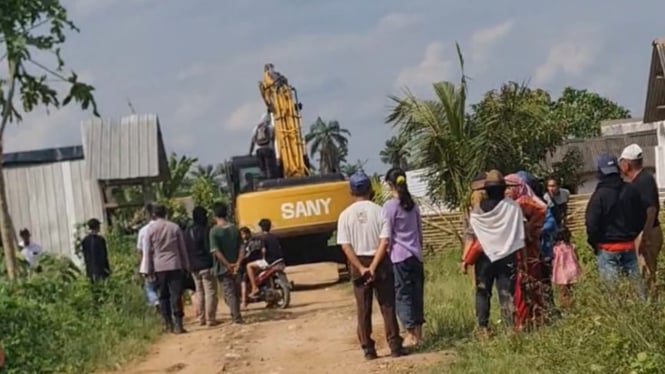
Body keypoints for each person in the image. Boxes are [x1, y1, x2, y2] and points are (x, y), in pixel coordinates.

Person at [337, 171, 404, 360]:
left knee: (363, 308)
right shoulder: (380, 211)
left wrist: (361, 267)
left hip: (358, 261)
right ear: (371, 189)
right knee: (387, 305)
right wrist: (374, 265)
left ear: (351, 191)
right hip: (380, 261)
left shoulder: (345, 215)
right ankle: (394, 346)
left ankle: (368, 349)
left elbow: (345, 245)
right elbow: (385, 241)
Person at [466, 170, 525, 336]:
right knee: (506, 293)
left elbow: (472, 234)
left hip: (484, 258)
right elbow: (521, 234)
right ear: (503, 188)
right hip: (507, 257)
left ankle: (483, 329)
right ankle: (510, 330)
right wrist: (525, 259)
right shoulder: (513, 207)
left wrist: (465, 259)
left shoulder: (477, 210)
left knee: (483, 291)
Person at [586, 153, 645, 296]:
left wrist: (595, 244)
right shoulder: (631, 190)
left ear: (600, 172)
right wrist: (632, 234)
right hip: (629, 246)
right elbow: (641, 218)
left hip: (607, 250)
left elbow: (591, 225)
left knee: (613, 296)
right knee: (637, 293)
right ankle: (642, 316)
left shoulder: (599, 196)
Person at [383, 167, 425, 347]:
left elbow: (387, 235)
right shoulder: (413, 204)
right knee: (417, 294)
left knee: (403, 295)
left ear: (389, 184)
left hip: (399, 256)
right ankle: (419, 334)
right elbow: (419, 231)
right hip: (416, 255)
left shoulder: (390, 206)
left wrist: (385, 253)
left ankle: (410, 335)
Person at [619, 143, 663, 299]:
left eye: (621, 161)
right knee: (645, 270)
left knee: (647, 271)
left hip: (647, 231)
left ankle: (651, 305)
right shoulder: (641, 180)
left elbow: (651, 210)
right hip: (646, 231)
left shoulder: (643, 180)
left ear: (627, 163)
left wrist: (645, 234)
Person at [504, 173, 547, 331]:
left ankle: (527, 321)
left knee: (525, 286)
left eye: (510, 187)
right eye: (505, 187)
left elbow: (531, 230)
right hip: (528, 251)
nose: (507, 191)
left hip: (526, 252)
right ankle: (535, 319)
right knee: (530, 286)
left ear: (520, 187)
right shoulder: (520, 204)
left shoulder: (526, 204)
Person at [145, 204, 191, 334]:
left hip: (159, 267)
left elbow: (148, 251)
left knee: (163, 296)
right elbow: (182, 248)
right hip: (175, 265)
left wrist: (149, 269)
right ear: (165, 213)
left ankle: (168, 324)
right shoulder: (174, 227)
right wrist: (186, 265)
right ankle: (179, 324)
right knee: (176, 295)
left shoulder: (150, 229)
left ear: (154, 214)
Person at [209, 201, 244, 324]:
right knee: (236, 291)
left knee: (229, 293)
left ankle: (236, 317)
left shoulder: (214, 231)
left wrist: (227, 265)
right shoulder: (234, 228)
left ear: (215, 215)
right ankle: (236, 314)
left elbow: (216, 252)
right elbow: (241, 247)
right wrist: (238, 263)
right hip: (236, 266)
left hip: (223, 268)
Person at [185, 206, 218, 327]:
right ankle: (210, 319)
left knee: (199, 292)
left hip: (193, 266)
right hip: (206, 265)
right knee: (210, 292)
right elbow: (209, 248)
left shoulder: (188, 231)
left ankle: (201, 318)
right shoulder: (206, 230)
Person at [247, 218, 284, 299]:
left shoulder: (263, 238)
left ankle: (254, 288)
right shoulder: (274, 237)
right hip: (280, 261)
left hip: (270, 262)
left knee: (249, 266)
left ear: (261, 228)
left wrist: (262, 258)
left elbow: (263, 251)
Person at [551, 227, 581, 309]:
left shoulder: (556, 249)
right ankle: (574, 306)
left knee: (563, 293)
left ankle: (566, 308)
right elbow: (577, 257)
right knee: (573, 291)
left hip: (561, 273)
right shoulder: (572, 246)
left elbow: (553, 259)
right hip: (573, 271)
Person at [137, 204, 160, 311]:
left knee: (150, 287)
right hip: (164, 263)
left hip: (149, 265)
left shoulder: (143, 230)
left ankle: (155, 301)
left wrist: (142, 266)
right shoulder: (167, 226)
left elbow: (140, 251)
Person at [239, 226, 263, 308]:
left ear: (247, 234)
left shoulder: (246, 244)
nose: (243, 236)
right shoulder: (258, 241)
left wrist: (239, 261)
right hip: (260, 263)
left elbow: (246, 256)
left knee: (243, 282)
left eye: (243, 234)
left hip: (250, 265)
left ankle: (244, 302)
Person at [80, 218, 111, 283]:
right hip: (101, 270)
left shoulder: (85, 240)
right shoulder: (100, 240)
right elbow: (104, 256)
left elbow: (85, 256)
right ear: (97, 227)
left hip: (90, 270)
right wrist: (107, 270)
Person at [250, 113, 278, 179]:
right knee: (269, 167)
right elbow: (273, 140)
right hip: (268, 149)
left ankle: (264, 179)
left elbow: (252, 142)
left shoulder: (256, 128)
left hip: (258, 150)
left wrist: (250, 152)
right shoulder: (270, 128)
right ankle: (271, 180)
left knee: (262, 168)